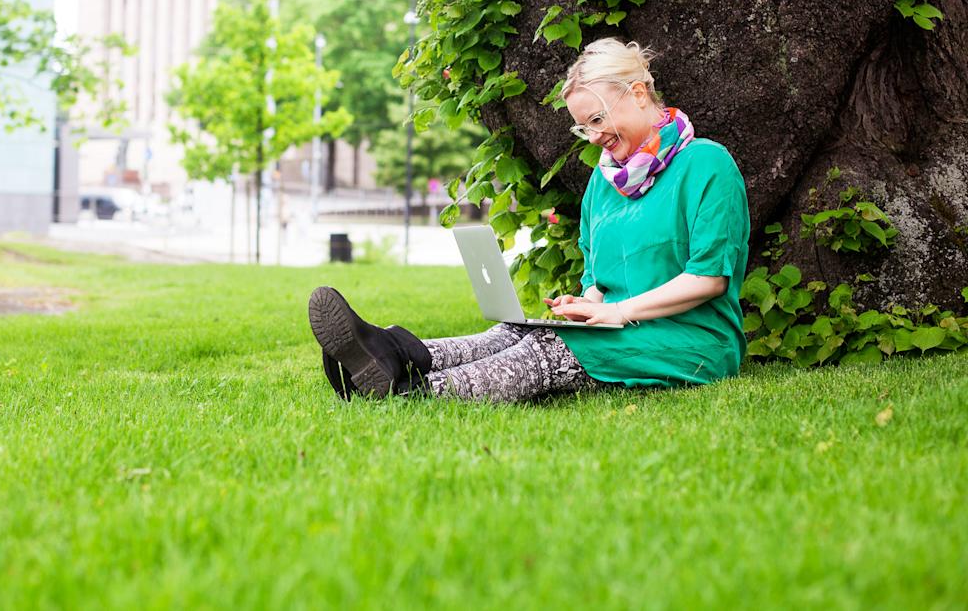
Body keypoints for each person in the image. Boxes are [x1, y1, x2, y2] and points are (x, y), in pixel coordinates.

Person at [307, 37, 751, 403]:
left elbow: (709, 278)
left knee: (549, 347)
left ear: (637, 94)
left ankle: (413, 392)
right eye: (584, 128)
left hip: (694, 341)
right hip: (622, 327)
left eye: (597, 119)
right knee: (513, 332)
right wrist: (587, 305)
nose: (594, 137)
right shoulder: (605, 182)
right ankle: (387, 351)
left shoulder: (707, 165)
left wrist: (617, 311)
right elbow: (597, 278)